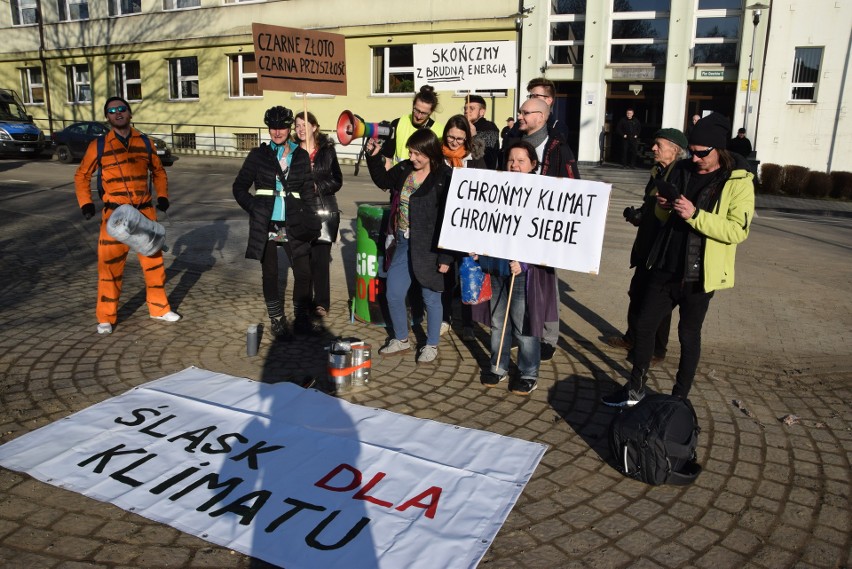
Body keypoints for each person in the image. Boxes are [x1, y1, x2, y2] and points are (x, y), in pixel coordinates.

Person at [602, 113, 755, 407]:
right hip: (665, 264)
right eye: (692, 151)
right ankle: (635, 389)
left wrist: (695, 215)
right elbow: (661, 217)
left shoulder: (737, 181)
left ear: (718, 150)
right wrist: (662, 207)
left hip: (699, 273)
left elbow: (738, 230)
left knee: (688, 335)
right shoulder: (680, 170)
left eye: (702, 153)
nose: (695, 157)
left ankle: (679, 398)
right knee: (644, 327)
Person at [74, 96, 179, 334]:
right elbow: (81, 175)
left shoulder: (146, 142)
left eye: (122, 109)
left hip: (144, 213)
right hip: (114, 216)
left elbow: (159, 171)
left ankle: (159, 308)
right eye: (112, 111)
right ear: (107, 117)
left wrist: (162, 196)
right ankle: (106, 317)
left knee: (154, 264)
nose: (118, 113)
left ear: (130, 113)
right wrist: (86, 203)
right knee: (109, 267)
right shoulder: (98, 146)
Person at [475, 140, 556, 395]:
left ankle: (528, 372)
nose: (515, 165)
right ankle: (498, 366)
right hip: (496, 266)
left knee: (524, 325)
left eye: (521, 161)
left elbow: (547, 236)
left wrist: (525, 262)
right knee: (499, 321)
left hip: (522, 272)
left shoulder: (543, 193)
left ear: (533, 164)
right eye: (511, 160)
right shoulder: (495, 187)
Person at [366, 129, 453, 364]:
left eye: (417, 154)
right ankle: (401, 339)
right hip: (404, 242)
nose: (412, 158)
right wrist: (373, 157)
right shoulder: (405, 169)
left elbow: (449, 218)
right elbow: (383, 181)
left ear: (430, 152)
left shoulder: (444, 176)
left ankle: (431, 344)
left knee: (431, 298)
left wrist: (446, 257)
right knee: (394, 292)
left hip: (431, 247)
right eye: (411, 152)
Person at [603, 128, 689, 365]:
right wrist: (638, 214)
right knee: (637, 293)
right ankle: (632, 337)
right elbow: (651, 203)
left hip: (661, 249)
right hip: (646, 243)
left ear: (675, 149)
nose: (653, 148)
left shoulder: (680, 174)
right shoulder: (658, 171)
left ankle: (656, 350)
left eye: (658, 145)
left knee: (657, 301)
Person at [232, 106, 317, 339]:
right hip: (266, 223)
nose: (277, 132)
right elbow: (239, 188)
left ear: (289, 128)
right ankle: (276, 319)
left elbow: (308, 192)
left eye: (281, 127)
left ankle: (300, 317)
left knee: (303, 272)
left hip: (293, 222)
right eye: (273, 127)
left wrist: (311, 216)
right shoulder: (258, 155)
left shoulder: (299, 155)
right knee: (270, 273)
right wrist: (255, 207)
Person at [515, 95, 580, 361]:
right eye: (520, 112)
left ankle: (548, 337)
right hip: (516, 224)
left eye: (525, 112)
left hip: (544, 227)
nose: (520, 116)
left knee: (545, 285)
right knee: (519, 281)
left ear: (540, 118)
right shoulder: (514, 142)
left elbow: (575, 186)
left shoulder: (558, 148)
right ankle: (521, 330)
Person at [440, 114, 486, 339]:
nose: (454, 142)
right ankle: (444, 317)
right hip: (444, 225)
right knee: (446, 274)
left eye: (459, 139)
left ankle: (468, 323)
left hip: (469, 226)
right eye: (450, 137)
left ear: (466, 139)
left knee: (468, 274)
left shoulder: (475, 159)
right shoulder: (439, 158)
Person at [293, 111, 343, 318]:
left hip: (322, 210)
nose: (301, 129)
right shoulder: (292, 151)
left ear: (315, 127)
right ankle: (303, 301)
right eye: (297, 125)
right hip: (300, 212)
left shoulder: (327, 151)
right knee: (303, 262)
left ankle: (321, 303)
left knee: (320, 260)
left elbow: (337, 180)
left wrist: (317, 186)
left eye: (305, 124)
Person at [380, 85, 444, 170]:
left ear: (431, 112)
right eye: (416, 110)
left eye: (424, 113)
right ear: (413, 105)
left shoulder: (440, 131)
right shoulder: (398, 123)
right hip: (399, 178)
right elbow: (387, 157)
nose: (418, 116)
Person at [463, 94, 500, 169]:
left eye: (471, 108)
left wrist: (474, 136)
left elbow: (489, 157)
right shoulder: (463, 126)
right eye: (465, 108)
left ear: (482, 112)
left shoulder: (489, 128)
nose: (466, 111)